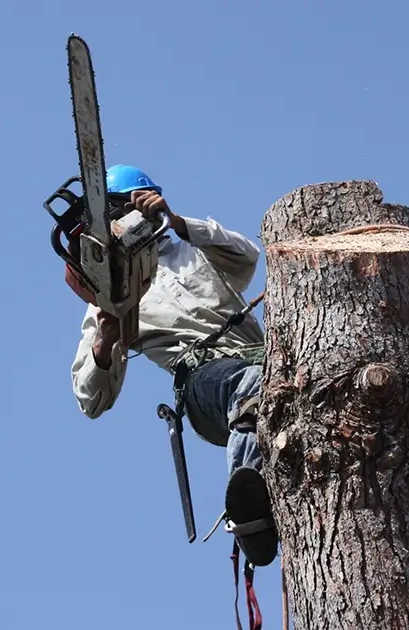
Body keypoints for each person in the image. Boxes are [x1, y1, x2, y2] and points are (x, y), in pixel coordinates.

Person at [64, 163, 279, 567]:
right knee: (250, 387)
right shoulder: (112, 294)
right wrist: (106, 338)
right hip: (203, 380)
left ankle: (273, 490)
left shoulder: (190, 248)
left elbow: (247, 256)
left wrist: (178, 222)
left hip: (264, 362)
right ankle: (250, 508)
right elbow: (90, 399)